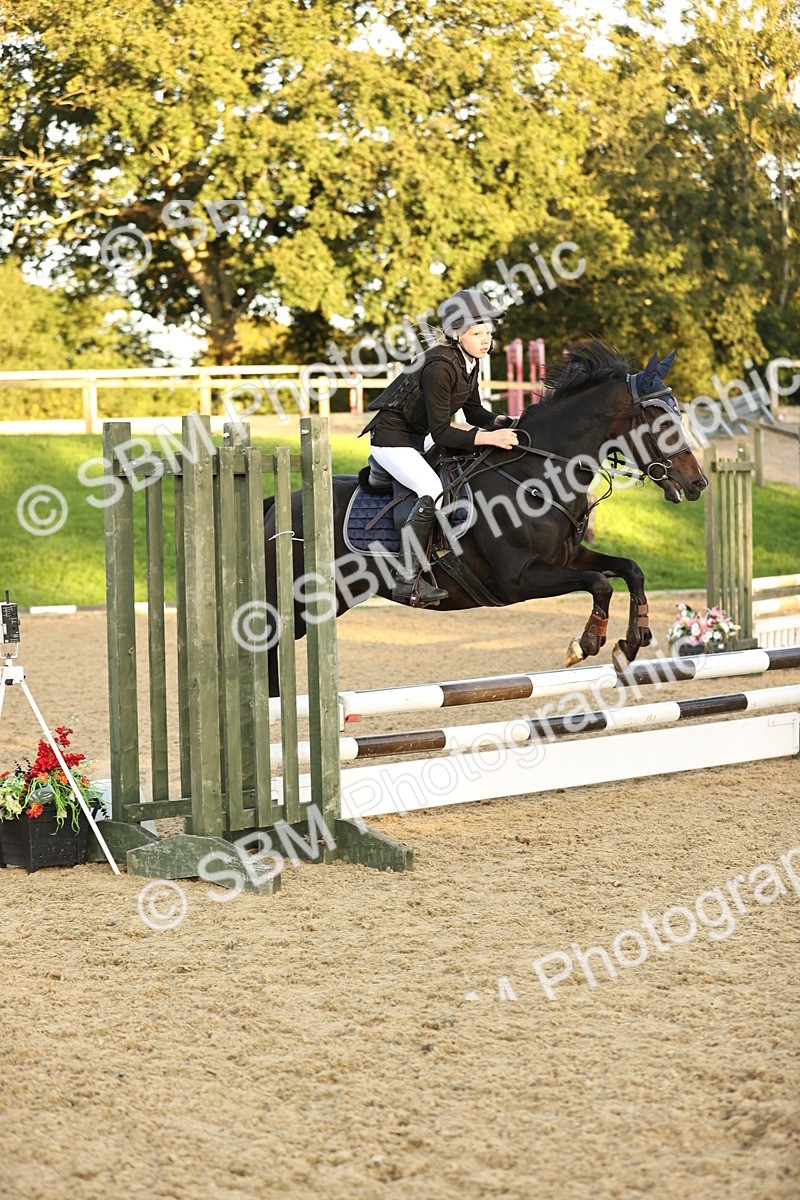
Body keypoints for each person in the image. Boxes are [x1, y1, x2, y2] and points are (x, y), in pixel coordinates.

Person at [360, 288, 519, 605]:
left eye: (488, 332)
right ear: (457, 333)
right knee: (432, 489)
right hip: (391, 440)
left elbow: (474, 413)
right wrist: (490, 437)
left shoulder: (470, 361)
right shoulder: (440, 366)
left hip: (417, 438)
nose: (486, 339)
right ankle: (406, 581)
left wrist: (510, 422)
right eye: (478, 332)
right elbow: (444, 432)